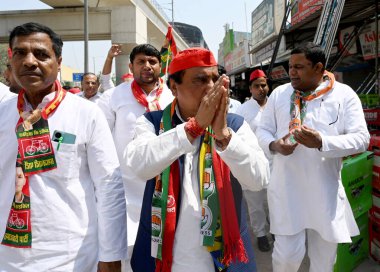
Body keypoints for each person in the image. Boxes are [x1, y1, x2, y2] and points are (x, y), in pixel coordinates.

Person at [125, 47, 270, 272]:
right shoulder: (151, 123)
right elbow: (139, 166)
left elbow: (259, 179)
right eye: (200, 80)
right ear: (174, 87)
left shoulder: (234, 125)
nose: (211, 87)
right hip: (166, 258)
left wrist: (224, 138)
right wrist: (193, 128)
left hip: (224, 260)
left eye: (214, 78)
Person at [0, 22, 127, 271]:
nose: (29, 61)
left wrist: (111, 255)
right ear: (10, 59)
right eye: (20, 53)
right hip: (7, 257)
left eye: (41, 54)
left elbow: (109, 188)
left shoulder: (86, 114)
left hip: (71, 257)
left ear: (58, 62)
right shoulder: (2, 114)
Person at [255, 42, 370, 271]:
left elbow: (361, 138)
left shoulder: (344, 95)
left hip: (324, 191)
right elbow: (262, 129)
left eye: (299, 67)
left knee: (324, 260)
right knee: (286, 257)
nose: (292, 72)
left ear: (318, 68)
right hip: (287, 189)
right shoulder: (280, 94)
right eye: (290, 66)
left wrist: (323, 142)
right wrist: (274, 144)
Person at [97, 43, 174, 271]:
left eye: (152, 61)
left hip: (164, 185)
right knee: (127, 252)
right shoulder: (113, 96)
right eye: (141, 61)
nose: (147, 66)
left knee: (164, 247)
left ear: (160, 66)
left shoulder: (173, 96)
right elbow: (100, 142)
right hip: (124, 188)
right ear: (131, 66)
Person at [236, 69, 271, 252]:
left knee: (274, 201)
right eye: (256, 86)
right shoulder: (243, 110)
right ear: (250, 89)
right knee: (255, 204)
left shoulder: (275, 105)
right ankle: (261, 234)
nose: (261, 89)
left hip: (275, 163)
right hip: (253, 165)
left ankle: (275, 229)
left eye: (263, 85)